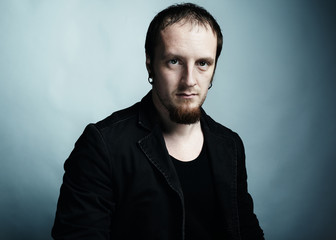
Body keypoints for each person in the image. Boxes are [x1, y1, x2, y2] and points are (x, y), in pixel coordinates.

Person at [52, 3, 264, 240]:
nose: (189, 80)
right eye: (174, 61)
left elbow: (247, 231)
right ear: (150, 63)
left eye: (203, 63)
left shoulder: (230, 145)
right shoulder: (102, 145)